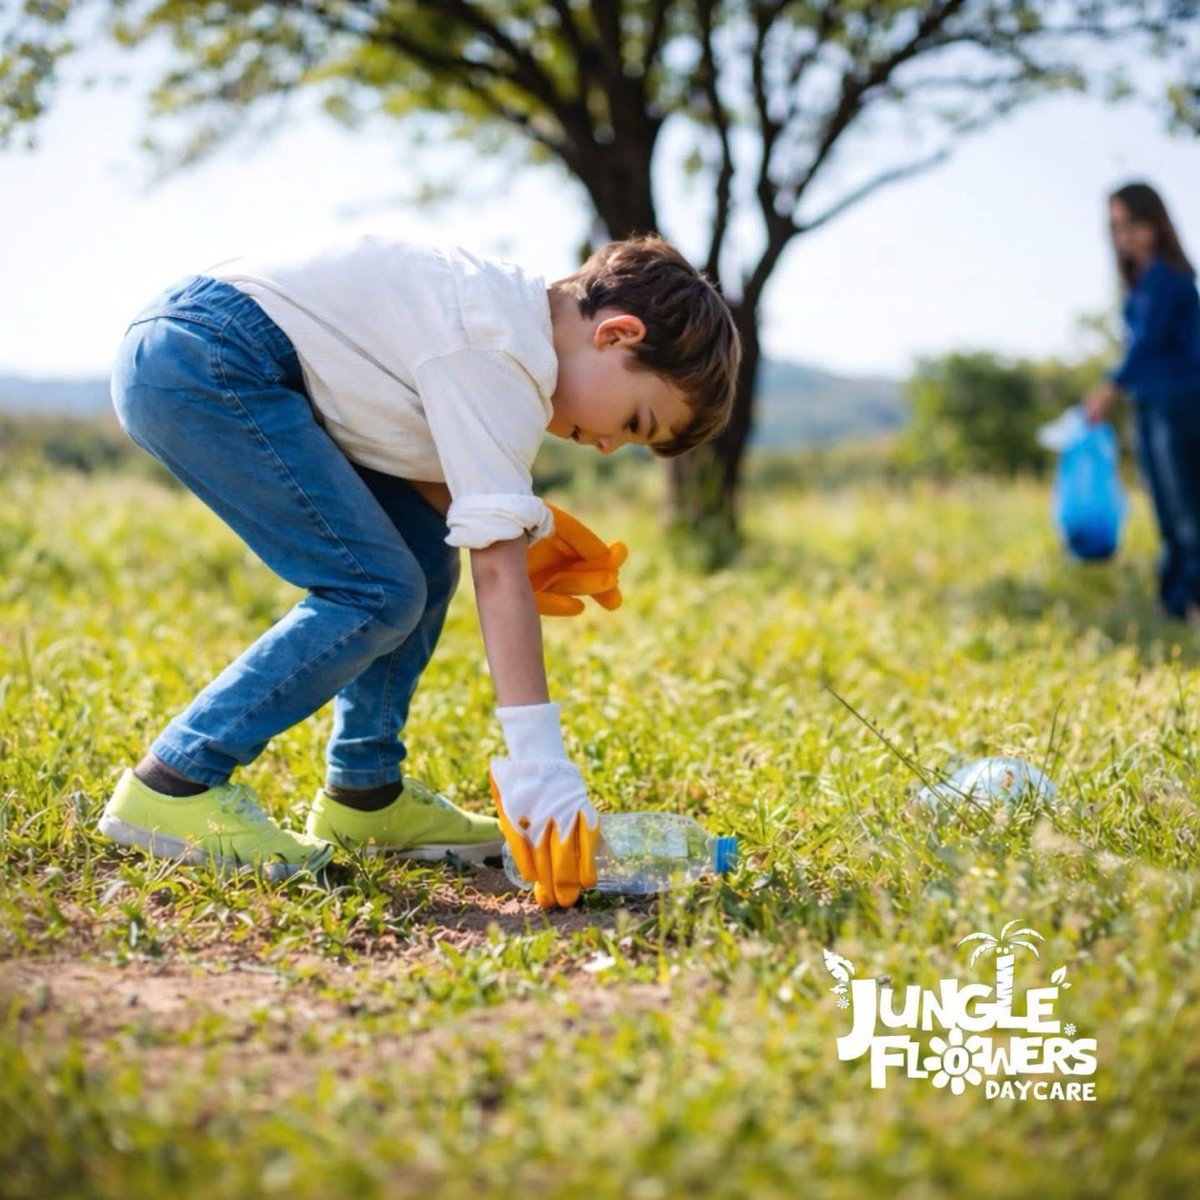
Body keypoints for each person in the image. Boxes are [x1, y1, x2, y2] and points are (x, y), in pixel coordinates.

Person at [97, 233, 741, 907]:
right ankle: (175, 782)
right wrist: (541, 767)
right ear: (617, 334)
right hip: (210, 357)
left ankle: (365, 793)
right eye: (634, 421)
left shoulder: (507, 326)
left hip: (214, 350)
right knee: (376, 590)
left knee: (424, 558)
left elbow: (448, 501)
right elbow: (496, 575)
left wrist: (528, 536)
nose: (609, 448)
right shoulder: (502, 351)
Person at [1084, 182, 1200, 619]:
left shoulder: (1170, 281)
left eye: (1131, 224)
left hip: (1179, 403)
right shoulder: (1140, 284)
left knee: (1187, 506)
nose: (1124, 235)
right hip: (1150, 405)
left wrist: (1108, 390)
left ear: (1154, 223)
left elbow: (1146, 346)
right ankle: (1173, 602)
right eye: (1116, 227)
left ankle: (1191, 600)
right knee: (1166, 508)